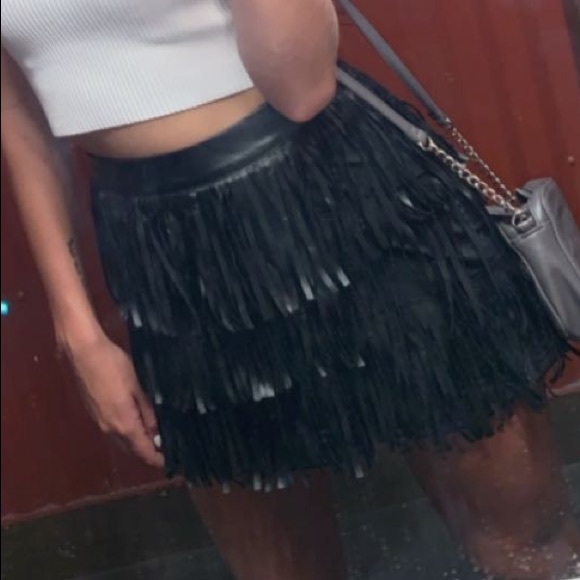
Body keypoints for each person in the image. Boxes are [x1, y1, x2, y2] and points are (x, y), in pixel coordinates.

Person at [1, 0, 578, 578]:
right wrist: (77, 331)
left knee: (532, 550)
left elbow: (302, 90)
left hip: (348, 201)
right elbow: (17, 113)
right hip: (172, 269)